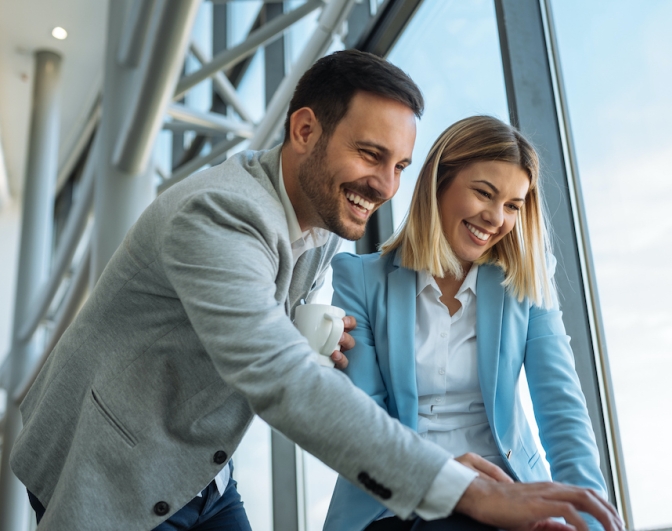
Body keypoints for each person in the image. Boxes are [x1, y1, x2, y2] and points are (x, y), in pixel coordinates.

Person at [10, 51, 622, 531]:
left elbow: (270, 338)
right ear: (305, 129)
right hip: (111, 460)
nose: (385, 185)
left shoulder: (325, 217)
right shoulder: (219, 213)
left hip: (204, 470)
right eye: (369, 154)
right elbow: (282, 380)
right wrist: (474, 493)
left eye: (400, 167)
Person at [323, 116, 609, 531]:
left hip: (509, 493)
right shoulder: (362, 280)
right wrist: (444, 479)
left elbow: (563, 411)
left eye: (513, 205)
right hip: (398, 501)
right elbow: (367, 422)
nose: (496, 218)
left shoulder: (526, 282)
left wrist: (592, 521)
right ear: (439, 182)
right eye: (484, 193)